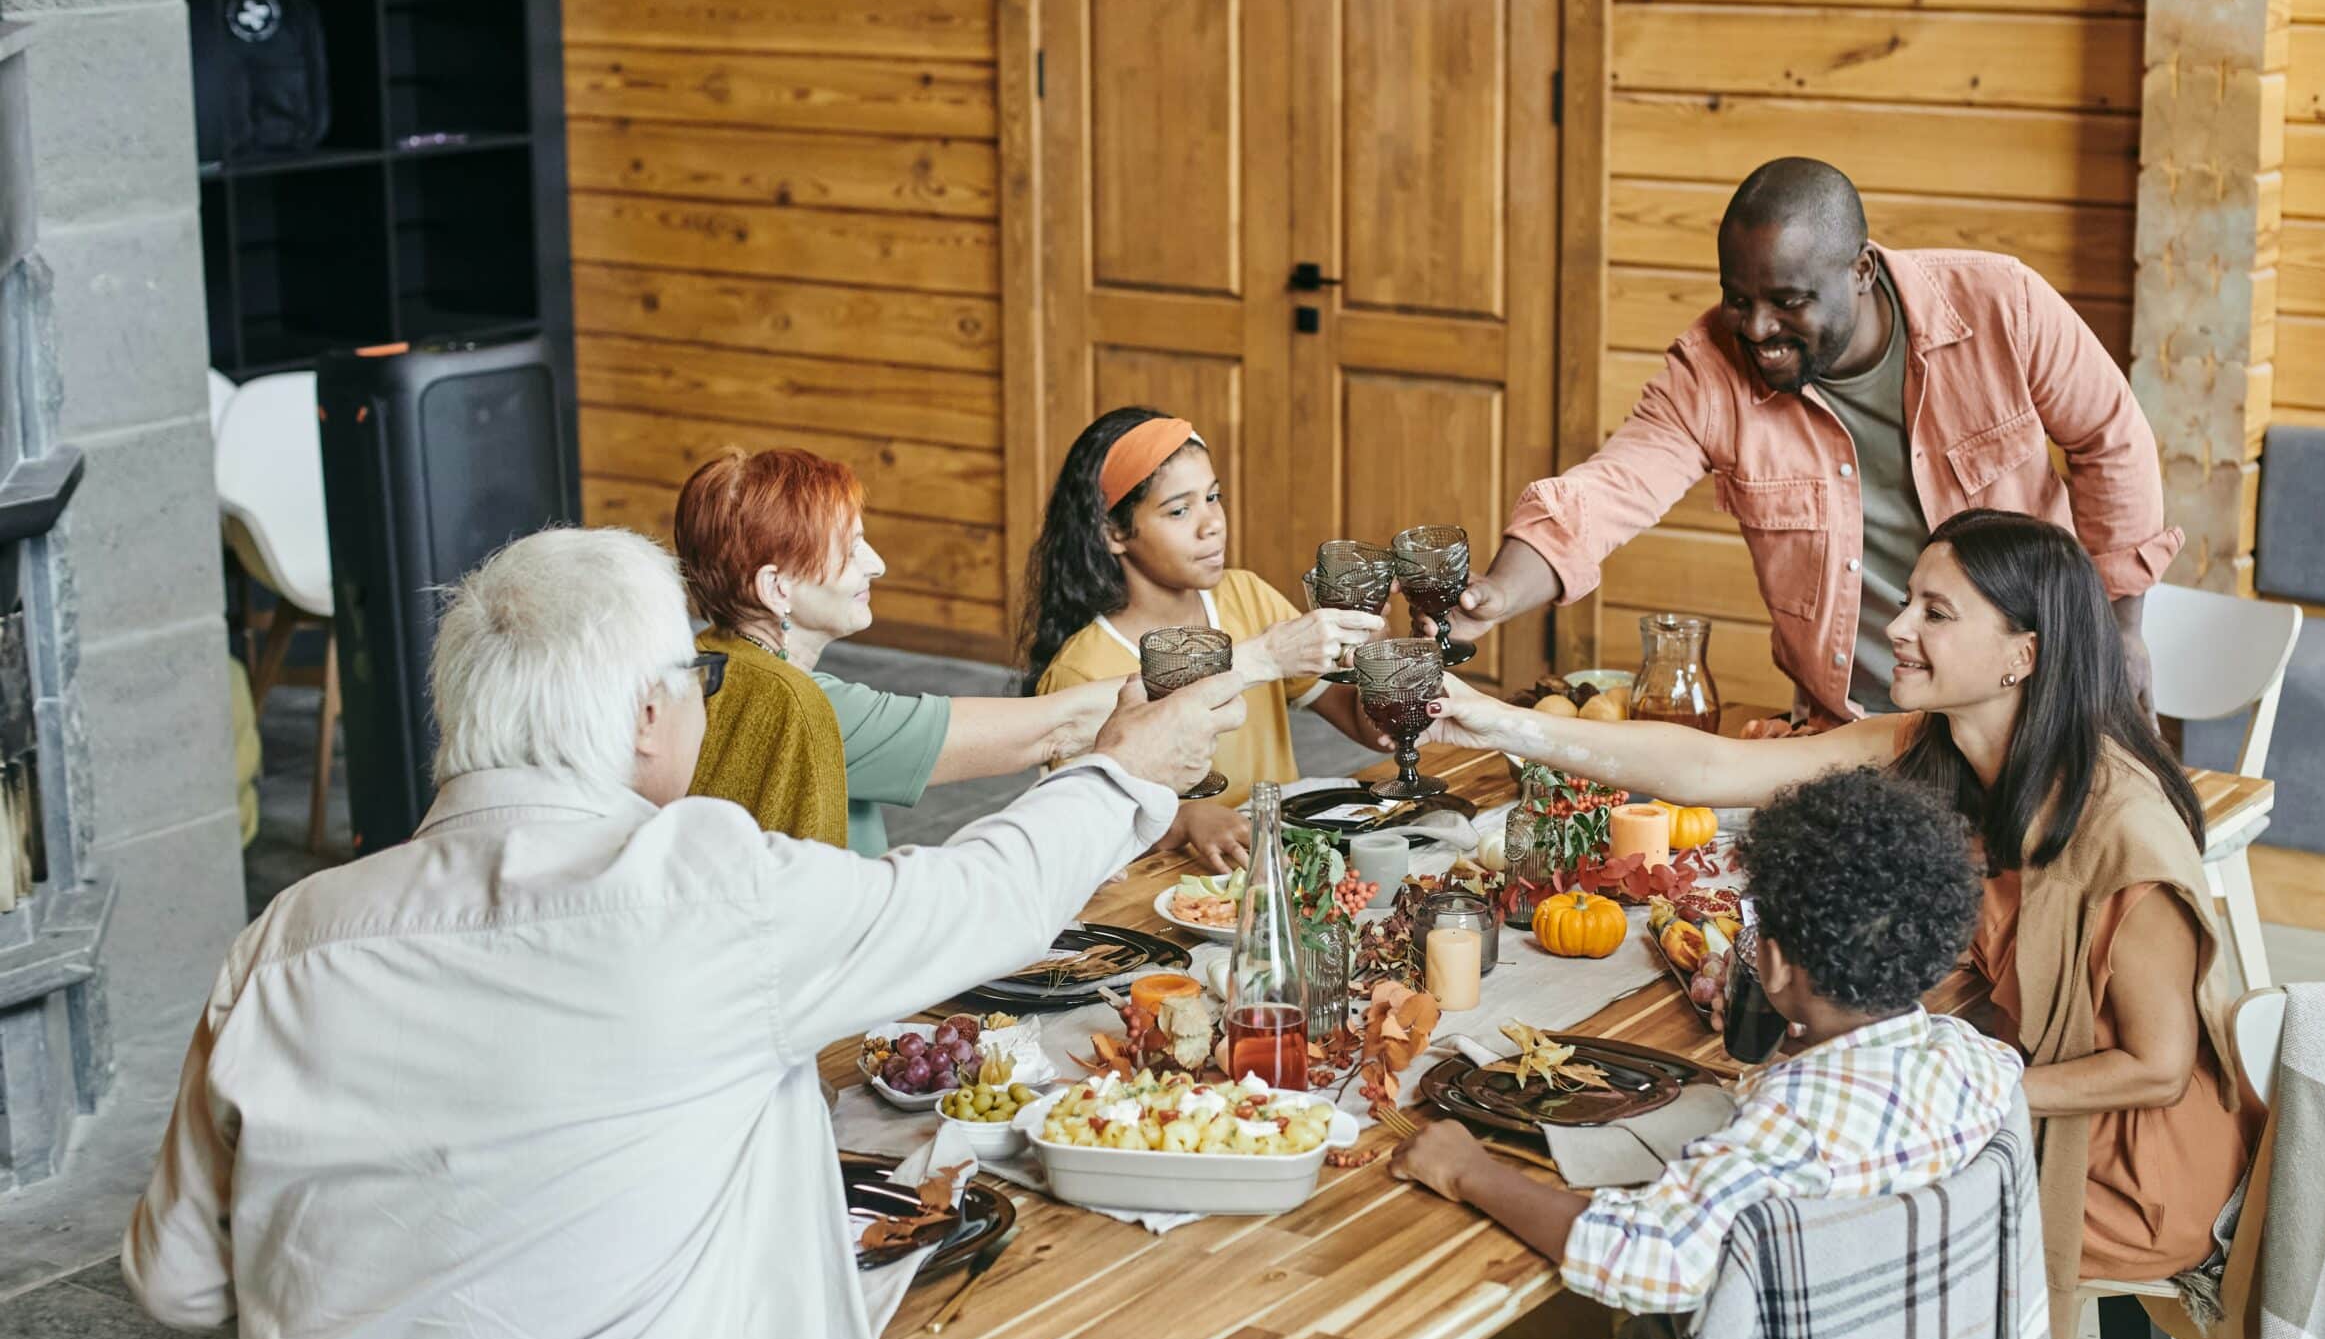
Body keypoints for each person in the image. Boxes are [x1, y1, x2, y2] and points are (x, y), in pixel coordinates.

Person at [120, 526, 1241, 1339]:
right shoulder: (702, 891)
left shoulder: (287, 939)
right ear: (651, 713)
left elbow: (176, 1284)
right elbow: (970, 901)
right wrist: (1123, 776)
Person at [1428, 509, 2250, 1339]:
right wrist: (1498, 723)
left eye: (1937, 612)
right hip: (2010, 1092)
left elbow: (2156, 1069)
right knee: (1740, 1148)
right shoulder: (1934, 748)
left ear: (2024, 655)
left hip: (2126, 1169)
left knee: (1768, 1184)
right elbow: (1711, 771)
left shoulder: (2127, 830)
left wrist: (1937, 1085)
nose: (1895, 627)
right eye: (1909, 603)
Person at [1340, 767, 2021, 1339]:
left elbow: (1647, 1261)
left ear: (1778, 962)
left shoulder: (1789, 1132)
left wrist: (1470, 1170)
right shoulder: (1977, 1063)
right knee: (1487, 1325)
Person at [1448, 156, 2180, 726]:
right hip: (1850, 728)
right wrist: (1494, 593)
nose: (1758, 329)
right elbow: (1607, 491)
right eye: (1740, 299)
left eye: (1788, 302)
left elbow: (2112, 438)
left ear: (1860, 271)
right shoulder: (1711, 367)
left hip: (2027, 707)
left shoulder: (2000, 305)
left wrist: (2122, 626)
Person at [676, 445, 1125, 854]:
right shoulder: (806, 710)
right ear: (776, 588)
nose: (877, 565)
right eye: (851, 551)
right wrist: (1183, 679)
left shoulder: (704, 662)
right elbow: (1055, 728)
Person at [1020, 405, 1390, 871]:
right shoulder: (1083, 669)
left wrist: (1377, 654)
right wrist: (1186, 817)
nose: (1211, 523)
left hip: (1276, 867)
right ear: (1114, 531)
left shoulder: (1247, 597)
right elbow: (1083, 823)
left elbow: (1368, 728)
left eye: (1213, 497)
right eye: (1179, 510)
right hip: (1162, 890)